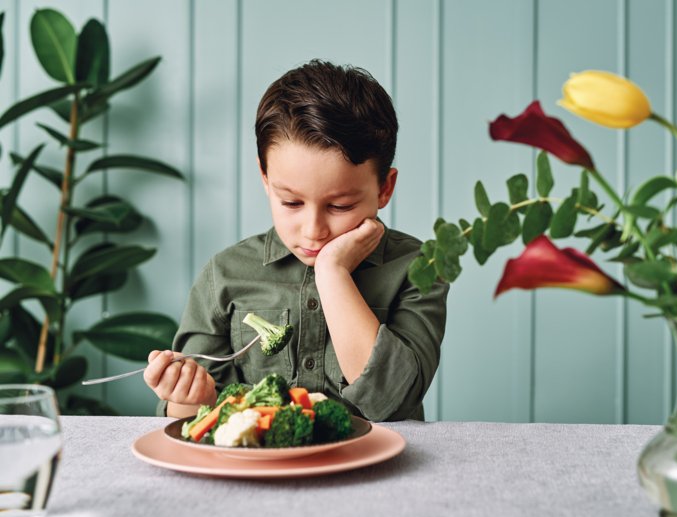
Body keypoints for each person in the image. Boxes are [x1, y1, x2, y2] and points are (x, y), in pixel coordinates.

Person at [143, 60, 449, 421]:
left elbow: (391, 403)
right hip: (257, 474)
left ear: (385, 188)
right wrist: (187, 395)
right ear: (265, 178)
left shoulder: (419, 267)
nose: (313, 230)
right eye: (291, 202)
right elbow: (194, 419)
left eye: (340, 205)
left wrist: (333, 274)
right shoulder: (225, 274)